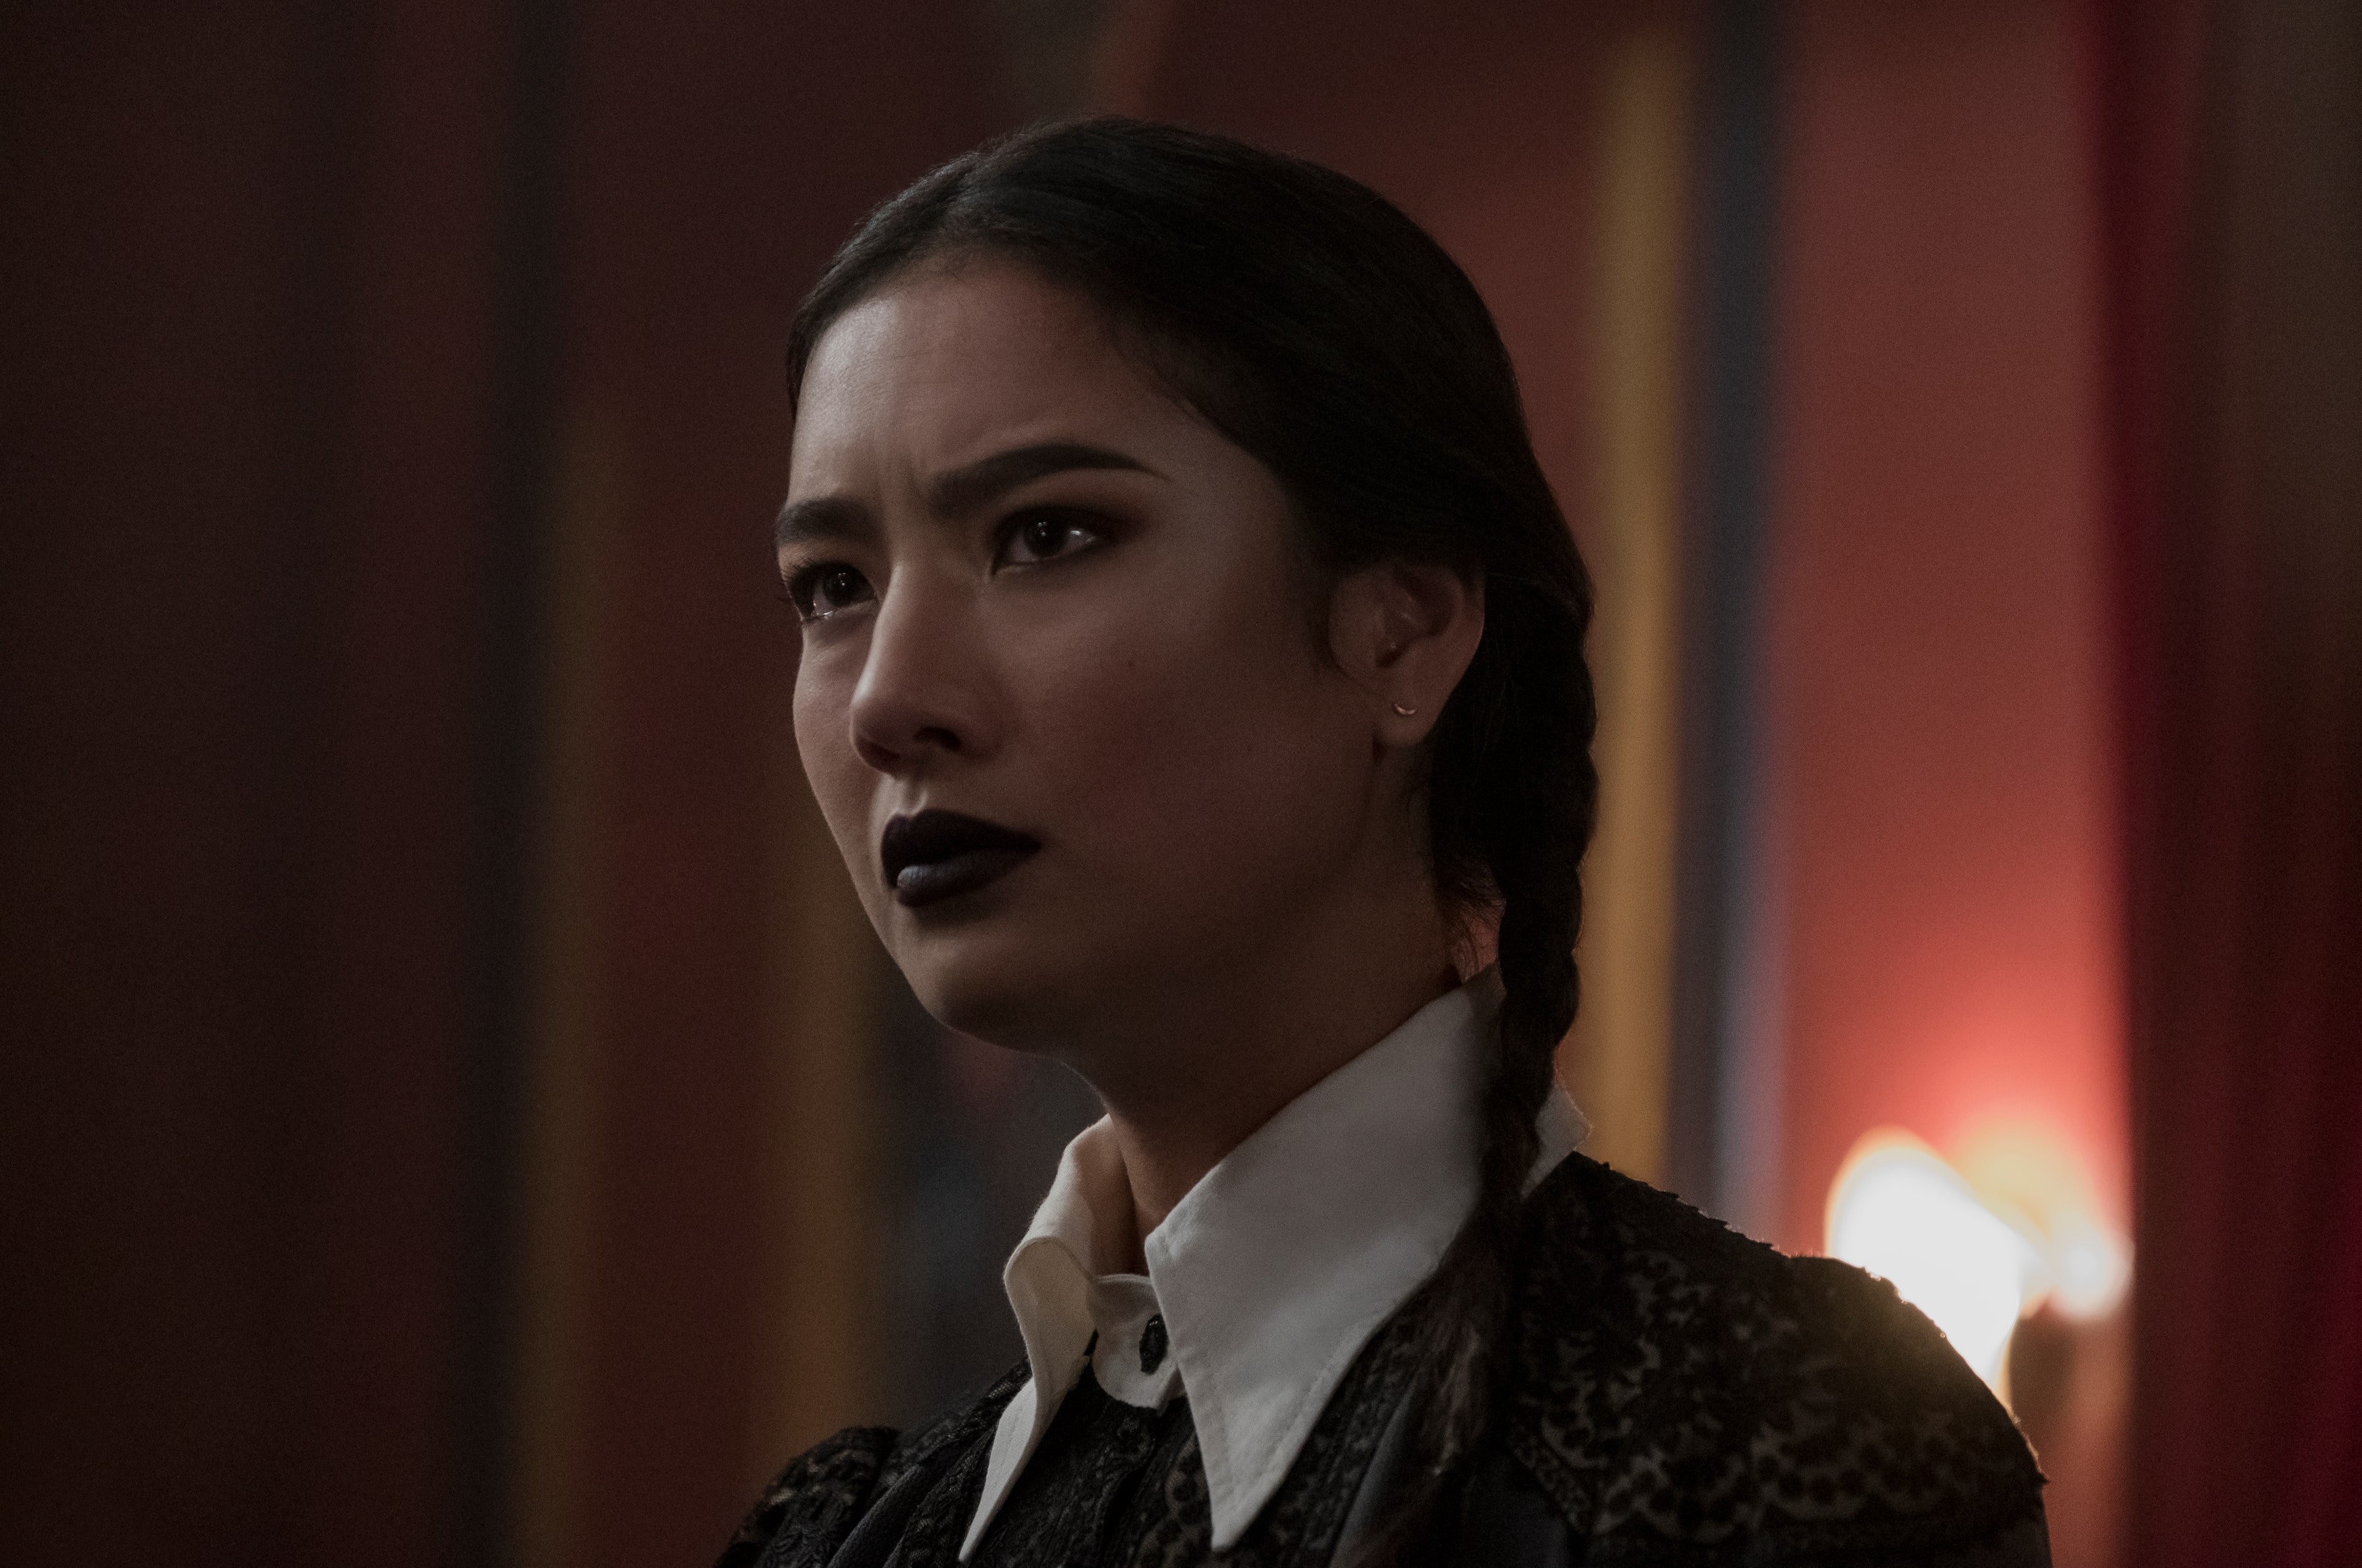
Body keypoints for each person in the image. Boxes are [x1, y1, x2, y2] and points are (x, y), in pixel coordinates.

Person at [722, 117, 2048, 1568]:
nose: (889, 700)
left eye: (1047, 536)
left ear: (1400, 628)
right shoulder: (851, 1536)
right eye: (832, 584)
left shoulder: (1766, 1443)